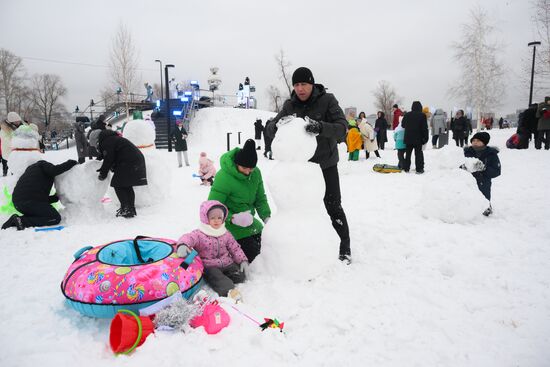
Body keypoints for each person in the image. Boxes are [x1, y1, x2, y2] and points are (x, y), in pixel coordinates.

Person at [264, 67, 351, 264]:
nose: (300, 89)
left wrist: (321, 128)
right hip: (301, 170)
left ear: (312, 84)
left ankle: (344, 247)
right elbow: (270, 129)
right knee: (297, 210)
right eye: (296, 84)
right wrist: (277, 125)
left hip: (325, 163)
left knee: (333, 206)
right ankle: (301, 249)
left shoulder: (328, 100)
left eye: (304, 84)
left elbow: (342, 129)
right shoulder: (290, 105)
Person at [207, 139, 271, 263]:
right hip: (229, 227)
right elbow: (212, 207)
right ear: (237, 163)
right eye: (244, 168)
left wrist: (266, 217)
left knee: (269, 249)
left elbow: (260, 198)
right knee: (256, 258)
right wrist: (232, 218)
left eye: (251, 168)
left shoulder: (256, 173)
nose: (248, 172)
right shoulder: (223, 177)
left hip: (251, 223)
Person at [176, 200, 249, 298]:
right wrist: (183, 245)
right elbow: (189, 237)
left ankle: (222, 278)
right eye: (213, 218)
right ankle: (229, 291)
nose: (216, 220)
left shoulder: (225, 233)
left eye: (219, 218)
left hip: (226, 262)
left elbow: (234, 247)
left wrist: (242, 260)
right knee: (218, 278)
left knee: (240, 276)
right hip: (210, 266)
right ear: (206, 218)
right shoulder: (199, 233)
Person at [1, 159, 78, 230]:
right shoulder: (43, 165)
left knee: (38, 214)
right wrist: (71, 162)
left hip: (18, 204)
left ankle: (17, 220)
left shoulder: (30, 171)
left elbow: (38, 197)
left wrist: (54, 198)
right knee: (55, 217)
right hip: (29, 201)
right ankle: (22, 221)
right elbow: (54, 170)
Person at [97, 129, 147, 218]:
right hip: (136, 160)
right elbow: (110, 153)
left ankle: (126, 209)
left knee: (117, 184)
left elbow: (109, 158)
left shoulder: (107, 141)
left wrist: (103, 173)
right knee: (127, 185)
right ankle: (130, 209)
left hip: (129, 162)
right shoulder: (113, 139)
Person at [460, 132, 501, 216]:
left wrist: (484, 168)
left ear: (484, 142)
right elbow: (456, 164)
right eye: (473, 140)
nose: (475, 142)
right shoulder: (466, 152)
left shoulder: (491, 154)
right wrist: (462, 167)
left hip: (484, 180)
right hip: (468, 180)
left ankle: (486, 207)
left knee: (484, 194)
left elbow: (496, 171)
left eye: (478, 140)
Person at [402, 101, 429, 174]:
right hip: (418, 139)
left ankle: (406, 168)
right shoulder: (422, 115)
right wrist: (425, 138)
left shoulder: (407, 115)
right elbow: (424, 128)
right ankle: (419, 169)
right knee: (418, 154)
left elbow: (403, 125)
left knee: (408, 154)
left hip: (408, 138)